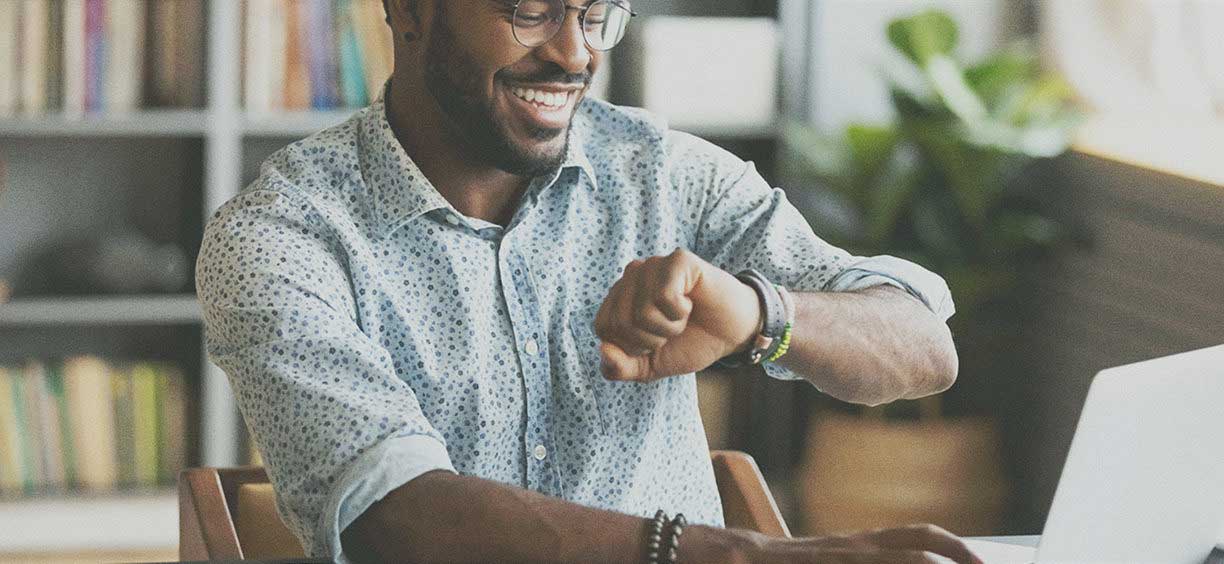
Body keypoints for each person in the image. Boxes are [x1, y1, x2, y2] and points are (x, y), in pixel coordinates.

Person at [196, 1, 980, 562]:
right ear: (409, 11)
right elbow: (398, 516)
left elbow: (923, 347)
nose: (574, 55)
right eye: (532, 12)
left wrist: (758, 313)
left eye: (596, 12)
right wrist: (731, 555)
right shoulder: (279, 237)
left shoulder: (662, 174)